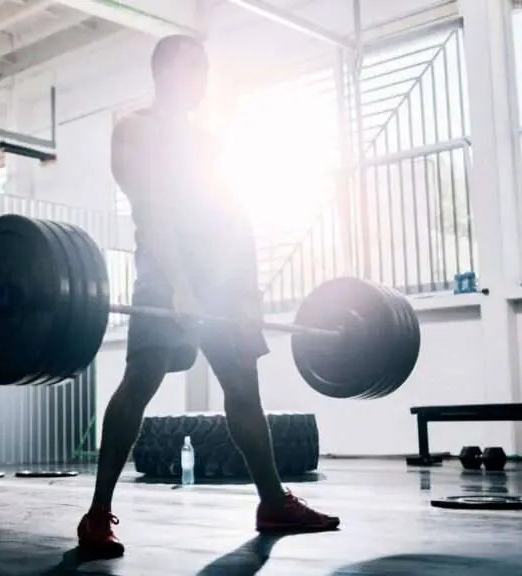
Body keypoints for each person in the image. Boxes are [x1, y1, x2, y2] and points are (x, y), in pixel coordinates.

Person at [75, 34, 341, 560]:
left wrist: (248, 292)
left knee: (243, 389)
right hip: (165, 272)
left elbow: (234, 218)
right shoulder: (135, 130)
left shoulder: (209, 142)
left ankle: (271, 503)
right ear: (162, 72)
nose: (200, 80)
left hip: (219, 281)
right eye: (191, 68)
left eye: (204, 70)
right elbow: (153, 211)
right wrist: (179, 286)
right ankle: (97, 512)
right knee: (141, 382)